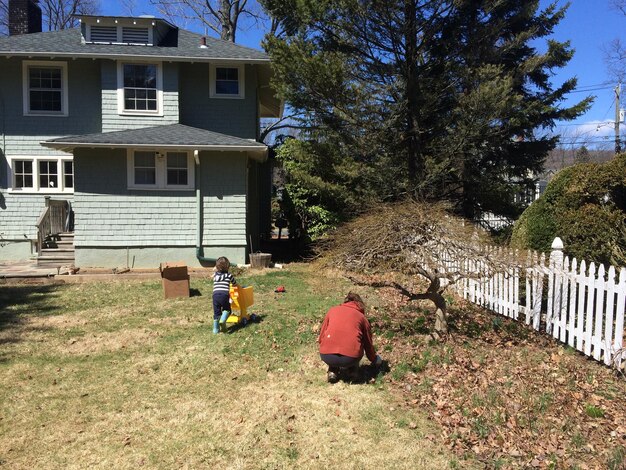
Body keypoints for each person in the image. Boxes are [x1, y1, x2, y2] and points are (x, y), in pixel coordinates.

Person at [318, 292, 383, 383]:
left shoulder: (332, 310)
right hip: (350, 358)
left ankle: (333, 371)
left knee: (335, 344)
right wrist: (374, 359)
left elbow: (321, 337)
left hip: (326, 355)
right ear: (360, 305)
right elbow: (368, 344)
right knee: (356, 343)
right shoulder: (362, 318)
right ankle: (352, 371)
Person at [213, 256, 237, 334]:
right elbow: (234, 283)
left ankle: (216, 329)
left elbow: (214, 275)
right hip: (224, 295)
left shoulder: (215, 275)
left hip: (215, 296)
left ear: (217, 267)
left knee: (217, 313)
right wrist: (235, 285)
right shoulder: (229, 275)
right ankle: (223, 320)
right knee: (227, 309)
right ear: (227, 267)